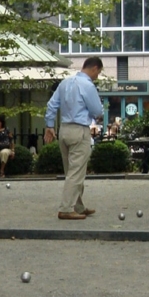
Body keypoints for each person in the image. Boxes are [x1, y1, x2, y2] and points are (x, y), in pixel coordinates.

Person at [44, 56, 103, 220]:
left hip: (64, 129)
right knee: (76, 172)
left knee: (71, 171)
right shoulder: (88, 85)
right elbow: (97, 111)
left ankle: (78, 206)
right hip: (79, 130)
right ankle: (66, 208)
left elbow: (51, 105)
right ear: (94, 68)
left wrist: (49, 126)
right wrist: (96, 115)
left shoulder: (65, 83)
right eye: (98, 72)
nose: (97, 76)